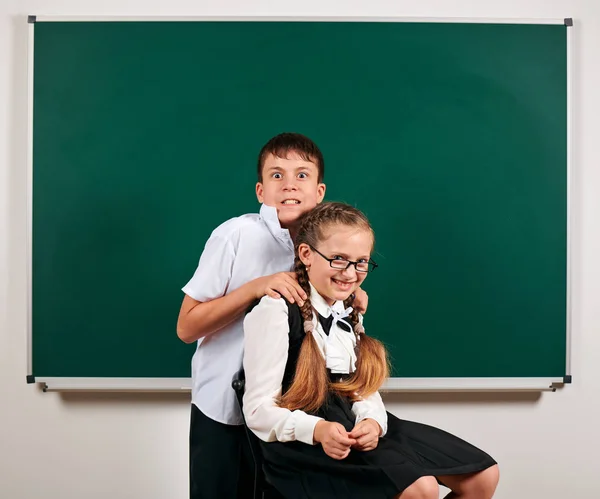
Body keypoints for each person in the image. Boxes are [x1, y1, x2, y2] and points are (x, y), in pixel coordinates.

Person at [243, 202, 499, 499]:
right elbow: (258, 411)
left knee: (482, 476)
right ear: (306, 254)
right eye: (338, 259)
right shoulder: (276, 310)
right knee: (421, 489)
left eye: (361, 261)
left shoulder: (348, 307)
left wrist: (373, 422)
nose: (350, 273)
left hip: (351, 422)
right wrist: (318, 430)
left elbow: (361, 389)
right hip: (301, 441)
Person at [176, 133, 367, 499]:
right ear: (261, 191)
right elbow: (187, 326)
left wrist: (348, 291)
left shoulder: (330, 250)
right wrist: (254, 288)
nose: (290, 185)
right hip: (225, 411)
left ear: (320, 190)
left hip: (292, 414)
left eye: (301, 175)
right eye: (277, 175)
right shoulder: (236, 235)